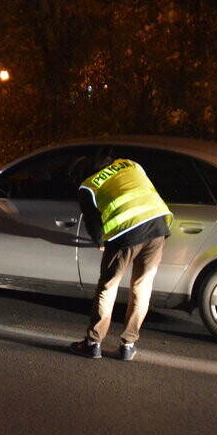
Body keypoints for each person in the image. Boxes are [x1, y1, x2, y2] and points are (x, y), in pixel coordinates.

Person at [69, 153, 171, 361]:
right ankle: (128, 345)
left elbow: (93, 223)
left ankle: (93, 343)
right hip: (158, 227)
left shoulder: (87, 186)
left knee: (108, 287)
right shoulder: (130, 164)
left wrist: (99, 242)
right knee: (142, 287)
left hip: (127, 233)